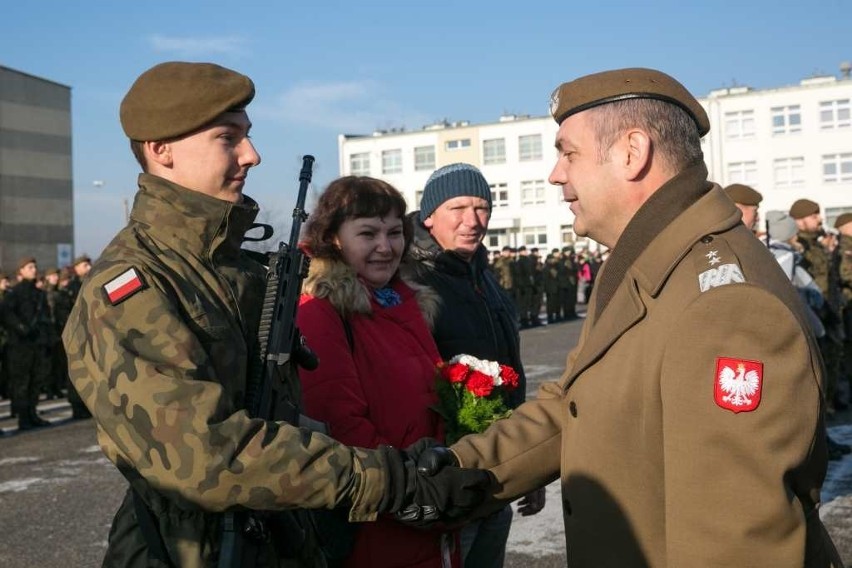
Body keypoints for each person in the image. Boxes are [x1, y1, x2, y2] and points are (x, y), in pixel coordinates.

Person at [61, 61, 491, 567]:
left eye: (248, 135)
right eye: (228, 137)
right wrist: (384, 479)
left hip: (278, 537)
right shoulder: (136, 283)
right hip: (190, 550)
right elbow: (204, 454)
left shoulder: (229, 267)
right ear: (162, 149)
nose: (252, 154)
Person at [420, 68, 843, 566]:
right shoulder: (639, 262)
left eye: (568, 153)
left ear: (631, 152)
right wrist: (447, 473)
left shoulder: (726, 304)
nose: (555, 173)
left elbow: (735, 541)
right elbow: (576, 405)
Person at [296, 175, 457, 568]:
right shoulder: (320, 311)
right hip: (380, 517)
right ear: (334, 238)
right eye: (367, 233)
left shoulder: (404, 302)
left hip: (428, 509)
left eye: (394, 232)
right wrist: (415, 485)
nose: (386, 247)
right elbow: (341, 427)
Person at [402, 163, 545, 568]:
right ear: (429, 215)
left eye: (482, 207)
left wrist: (527, 462)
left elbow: (509, 371)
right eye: (458, 207)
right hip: (449, 473)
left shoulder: (484, 275)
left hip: (495, 470)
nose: (473, 221)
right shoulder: (412, 280)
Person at [1, 257, 54, 430]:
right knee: (21, 383)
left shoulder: (39, 294)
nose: (34, 269)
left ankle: (32, 413)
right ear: (21, 271)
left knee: (36, 381)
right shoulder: (14, 294)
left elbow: (46, 319)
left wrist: (47, 340)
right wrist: (21, 328)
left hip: (37, 344)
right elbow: (6, 315)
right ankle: (23, 418)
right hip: (20, 345)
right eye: (29, 267)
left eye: (34, 267)